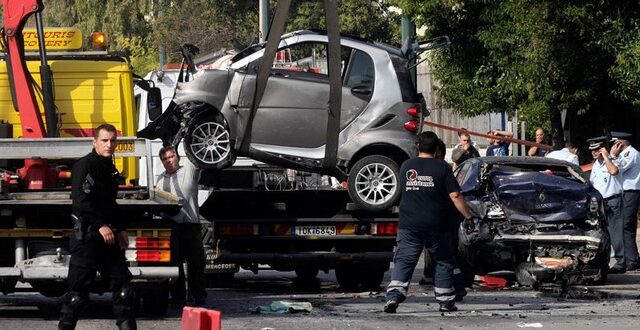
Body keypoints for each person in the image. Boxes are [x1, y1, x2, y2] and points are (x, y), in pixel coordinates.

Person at [384, 131, 474, 313]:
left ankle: (393, 296)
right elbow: (455, 195)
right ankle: (445, 301)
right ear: (436, 149)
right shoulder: (442, 168)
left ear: (418, 146)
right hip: (436, 225)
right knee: (442, 260)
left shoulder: (406, 166)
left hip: (409, 223)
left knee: (404, 260)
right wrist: (469, 216)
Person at [59, 124, 136, 330]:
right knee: (77, 294)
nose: (109, 144)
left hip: (108, 235)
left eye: (112, 141)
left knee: (124, 290)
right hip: (88, 235)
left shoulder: (110, 169)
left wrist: (120, 229)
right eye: (104, 140)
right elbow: (80, 202)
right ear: (95, 142)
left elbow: (110, 204)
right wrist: (100, 225)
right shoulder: (84, 165)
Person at [156, 146, 208, 305]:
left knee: (196, 264)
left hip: (190, 225)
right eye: (165, 159)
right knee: (174, 263)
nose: (168, 161)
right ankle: (178, 296)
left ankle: (199, 295)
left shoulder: (189, 171)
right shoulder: (160, 179)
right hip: (171, 226)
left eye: (171, 157)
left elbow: (199, 156)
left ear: (177, 157)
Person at [420, 138, 468, 302]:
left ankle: (453, 288)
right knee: (448, 256)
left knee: (445, 257)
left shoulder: (441, 169)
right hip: (443, 220)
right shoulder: (440, 169)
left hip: (444, 221)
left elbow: (455, 195)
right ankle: (456, 287)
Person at [588, 137, 625, 273]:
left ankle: (621, 262)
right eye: (592, 151)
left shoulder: (615, 160)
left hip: (613, 200)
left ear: (603, 148)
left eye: (597, 150)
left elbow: (614, 171)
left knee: (616, 233)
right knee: (604, 234)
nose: (594, 153)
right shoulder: (595, 165)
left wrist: (606, 156)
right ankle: (606, 262)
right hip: (600, 203)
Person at [610, 133, 640, 271]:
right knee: (625, 226)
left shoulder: (631, 154)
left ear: (620, 143)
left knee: (626, 225)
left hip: (631, 192)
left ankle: (632, 260)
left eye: (615, 143)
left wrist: (613, 156)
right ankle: (631, 258)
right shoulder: (624, 154)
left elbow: (618, 169)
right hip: (624, 192)